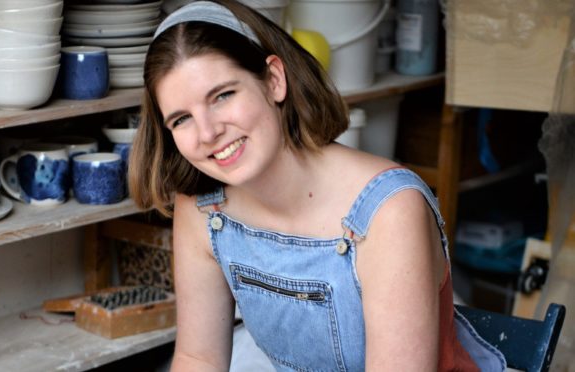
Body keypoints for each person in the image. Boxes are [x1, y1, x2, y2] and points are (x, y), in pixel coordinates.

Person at [128, 1, 506, 370]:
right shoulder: (204, 207)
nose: (208, 132)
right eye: (181, 119)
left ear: (273, 80)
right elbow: (199, 359)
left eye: (223, 95)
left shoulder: (388, 209)